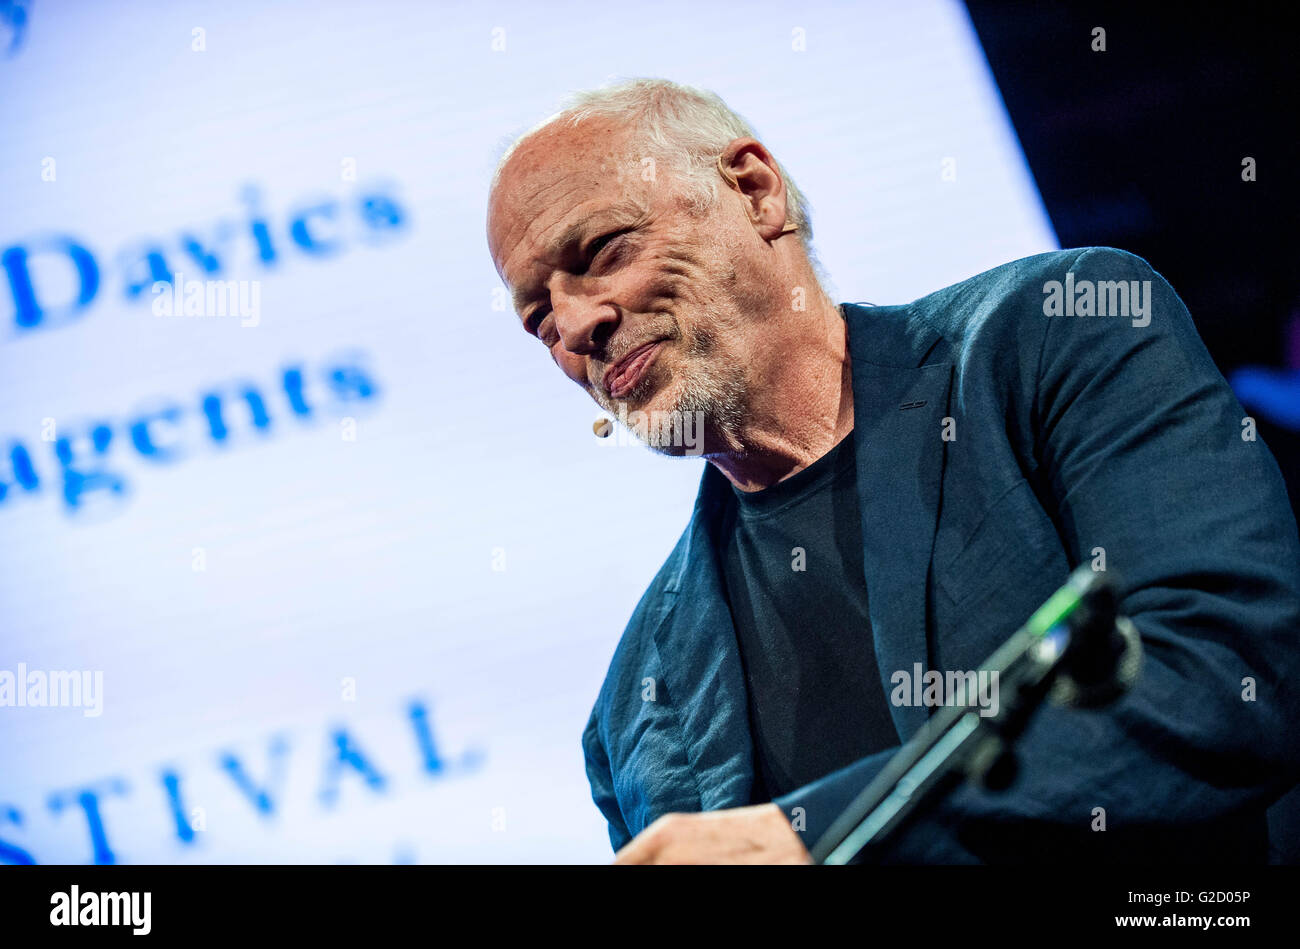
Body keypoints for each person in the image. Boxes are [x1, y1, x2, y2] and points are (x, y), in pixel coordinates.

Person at [485, 78, 1300, 863]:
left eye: (603, 249)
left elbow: (1227, 674)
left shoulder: (1055, 335)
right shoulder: (633, 709)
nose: (578, 326)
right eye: (538, 318)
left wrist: (820, 837)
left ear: (755, 190)